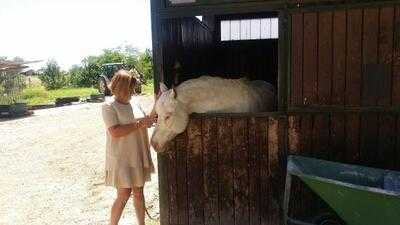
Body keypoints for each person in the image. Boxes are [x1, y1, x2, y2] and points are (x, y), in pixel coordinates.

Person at [101, 69, 155, 225]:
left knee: (139, 192)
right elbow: (115, 132)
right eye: (130, 88)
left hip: (137, 153)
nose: (133, 91)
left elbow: (147, 121)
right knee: (124, 194)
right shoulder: (108, 106)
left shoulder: (135, 102)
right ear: (121, 87)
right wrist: (139, 124)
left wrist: (158, 104)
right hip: (121, 157)